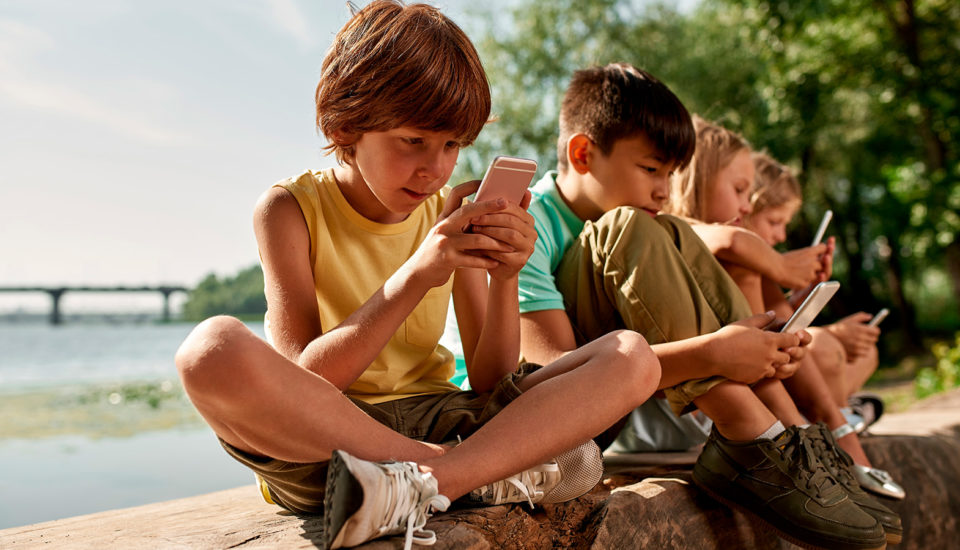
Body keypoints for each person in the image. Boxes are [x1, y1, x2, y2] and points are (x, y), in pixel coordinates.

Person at [174, 3, 660, 549]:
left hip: (442, 414)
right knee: (209, 350)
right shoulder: (289, 209)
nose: (435, 168)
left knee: (632, 356)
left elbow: (489, 378)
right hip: (332, 440)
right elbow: (308, 378)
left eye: (452, 145)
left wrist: (506, 277)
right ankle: (461, 473)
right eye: (413, 141)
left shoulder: (448, 209)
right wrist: (417, 274)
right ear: (345, 127)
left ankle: (432, 482)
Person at [517, 63, 890, 549]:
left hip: (614, 397)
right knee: (629, 227)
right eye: (651, 169)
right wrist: (713, 354)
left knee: (669, 227)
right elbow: (551, 378)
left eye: (670, 175)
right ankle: (750, 438)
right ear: (584, 153)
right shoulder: (530, 226)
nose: (662, 190)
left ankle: (788, 442)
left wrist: (758, 354)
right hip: (546, 431)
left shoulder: (646, 223)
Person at [665, 117, 905, 507]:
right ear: (697, 179)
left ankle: (833, 424)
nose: (744, 204)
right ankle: (823, 429)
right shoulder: (671, 233)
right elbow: (733, 240)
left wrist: (791, 289)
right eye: (740, 190)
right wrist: (778, 266)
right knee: (764, 283)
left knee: (802, 326)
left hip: (740, 392)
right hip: (706, 405)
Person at [745, 153, 883, 425]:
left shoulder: (762, 274)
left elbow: (776, 316)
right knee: (826, 347)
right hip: (762, 374)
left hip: (785, 367)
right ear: (744, 209)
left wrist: (802, 296)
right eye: (774, 222)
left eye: (785, 224)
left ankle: (843, 411)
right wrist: (834, 335)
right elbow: (763, 333)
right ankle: (843, 416)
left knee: (867, 353)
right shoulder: (737, 262)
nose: (781, 236)